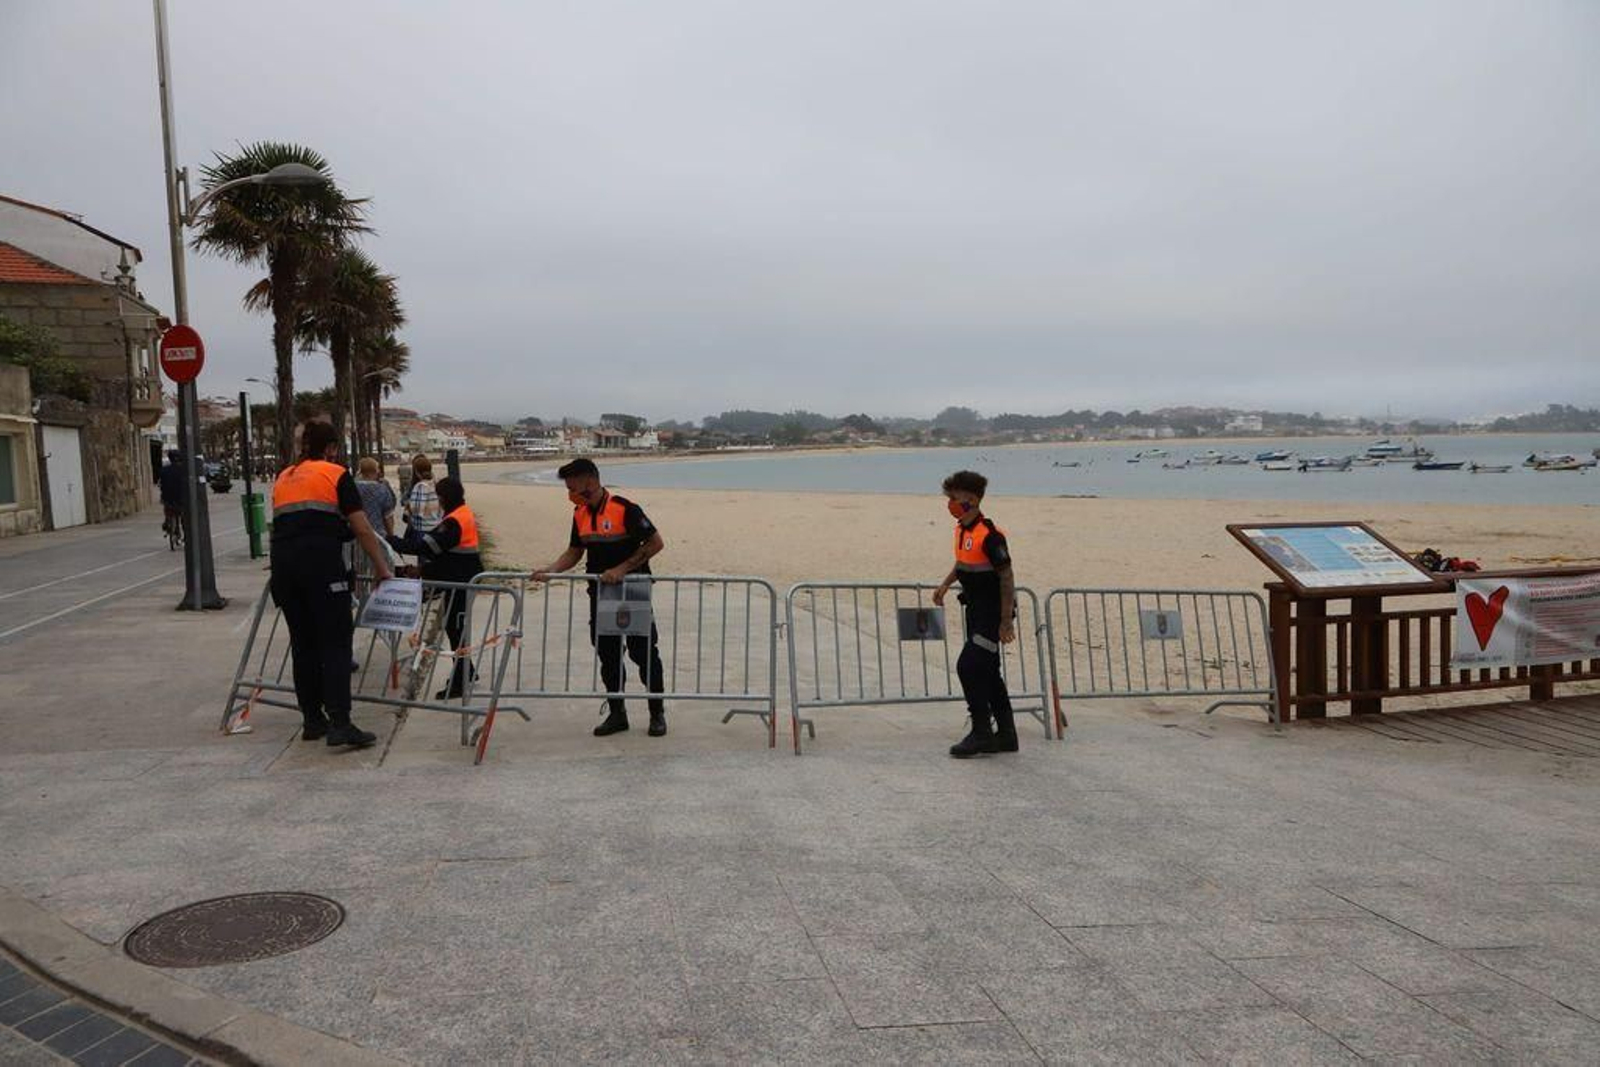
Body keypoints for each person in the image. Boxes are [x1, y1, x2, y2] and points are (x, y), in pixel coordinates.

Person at [270, 420, 394, 748]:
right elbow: (363, 528)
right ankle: (341, 723)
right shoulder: (335, 474)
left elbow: (296, 524)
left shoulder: (284, 477)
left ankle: (312, 719)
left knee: (303, 646)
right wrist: (383, 568)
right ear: (331, 448)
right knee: (336, 645)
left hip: (284, 574)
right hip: (322, 572)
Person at [531, 458, 668, 737]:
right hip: (600, 593)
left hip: (632, 591)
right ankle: (618, 714)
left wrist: (622, 569)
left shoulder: (624, 508)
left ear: (590, 480)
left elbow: (655, 543)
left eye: (572, 486)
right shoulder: (580, 513)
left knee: (644, 654)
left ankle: (657, 713)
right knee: (608, 655)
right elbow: (574, 551)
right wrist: (551, 570)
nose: (569, 491)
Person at [932, 470, 1018, 758]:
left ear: (972, 499)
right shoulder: (961, 530)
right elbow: (962, 562)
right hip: (974, 609)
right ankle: (1006, 735)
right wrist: (945, 584)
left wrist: (1006, 621)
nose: (950, 504)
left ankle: (981, 731)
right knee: (989, 672)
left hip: (991, 615)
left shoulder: (990, 536)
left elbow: (1007, 578)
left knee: (968, 667)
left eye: (954, 498)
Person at [394, 476, 483, 699]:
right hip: (460, 577)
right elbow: (445, 554)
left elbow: (428, 546)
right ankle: (467, 671)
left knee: (457, 629)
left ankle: (460, 682)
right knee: (454, 626)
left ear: (443, 498)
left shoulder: (454, 521)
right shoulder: (461, 513)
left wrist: (394, 542)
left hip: (462, 580)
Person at [354, 457, 397, 536]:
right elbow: (388, 516)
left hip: (357, 533)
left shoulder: (353, 488)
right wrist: (391, 535)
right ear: (376, 470)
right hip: (378, 533)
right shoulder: (382, 489)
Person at [403, 454, 442, 536]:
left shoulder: (421, 486)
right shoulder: (436, 483)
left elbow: (417, 510)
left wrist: (409, 506)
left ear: (416, 471)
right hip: (436, 525)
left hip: (423, 528)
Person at [158, 449, 186, 540]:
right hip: (181, 497)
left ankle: (167, 521)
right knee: (184, 515)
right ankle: (186, 533)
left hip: (167, 497)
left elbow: (160, 484)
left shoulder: (164, 470)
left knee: (167, 508)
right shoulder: (183, 470)